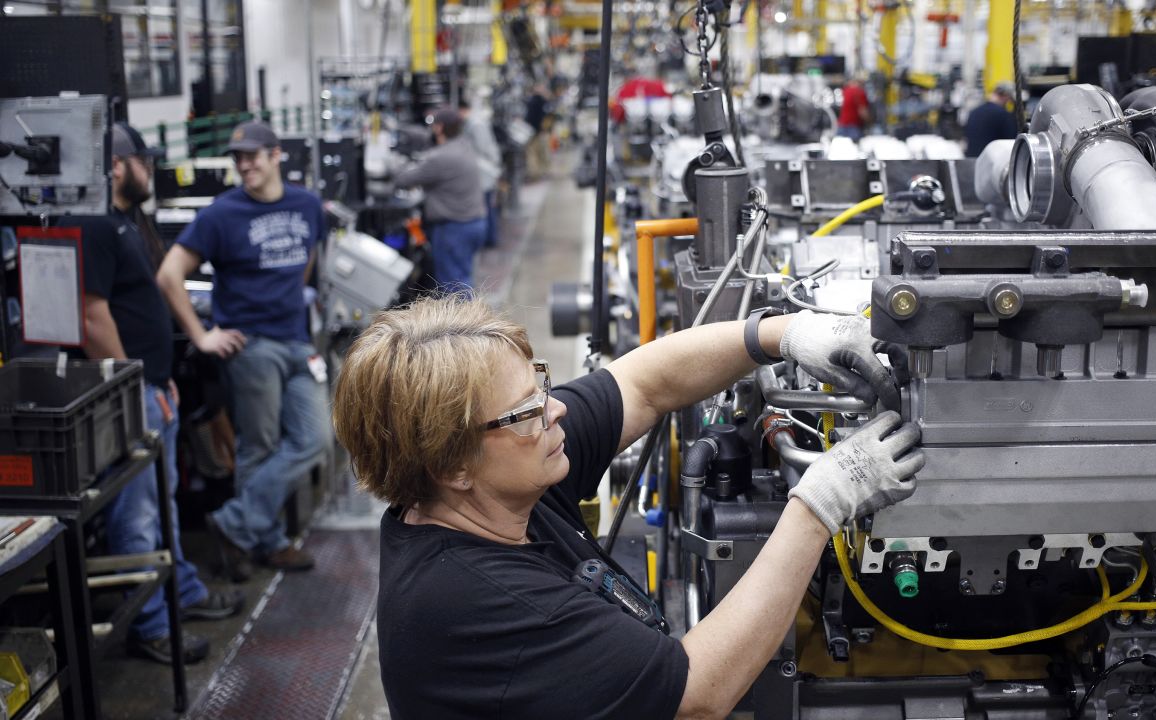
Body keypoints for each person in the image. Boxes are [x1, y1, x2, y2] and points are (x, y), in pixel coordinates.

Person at [332, 297, 923, 719]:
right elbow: (697, 694)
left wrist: (780, 334)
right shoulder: (473, 602)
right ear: (449, 465)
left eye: (539, 386)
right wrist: (821, 503)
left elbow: (643, 383)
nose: (554, 410)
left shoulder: (493, 484)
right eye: (526, 410)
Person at [78, 123, 245, 665]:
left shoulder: (126, 223)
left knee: (162, 497)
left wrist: (161, 376)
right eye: (145, 161)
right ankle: (150, 622)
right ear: (119, 166)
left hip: (153, 386)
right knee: (137, 512)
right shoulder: (95, 226)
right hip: (130, 393)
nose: (153, 170)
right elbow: (90, 315)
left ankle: (182, 592)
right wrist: (132, 384)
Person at [157, 120, 330, 583]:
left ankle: (235, 526)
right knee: (258, 447)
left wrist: (292, 298)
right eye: (238, 157)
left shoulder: (307, 205)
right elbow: (170, 275)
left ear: (276, 156)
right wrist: (201, 336)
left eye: (253, 155)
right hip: (251, 346)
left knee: (316, 439)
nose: (245, 164)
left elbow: (307, 258)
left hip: (297, 340)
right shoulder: (221, 214)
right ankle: (266, 542)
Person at [392, 107, 487, 293]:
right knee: (463, 279)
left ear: (439, 127)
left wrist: (391, 163)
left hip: (455, 228)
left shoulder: (440, 158)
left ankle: (460, 323)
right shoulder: (464, 145)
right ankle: (469, 319)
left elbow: (403, 179)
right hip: (474, 223)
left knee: (453, 288)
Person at [457, 100, 503, 249]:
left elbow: (484, 148)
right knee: (486, 206)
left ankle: (490, 238)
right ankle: (489, 238)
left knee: (486, 208)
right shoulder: (472, 123)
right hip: (483, 171)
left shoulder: (476, 124)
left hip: (484, 172)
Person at [964, 81, 1019, 157]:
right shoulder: (1003, 115)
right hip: (991, 163)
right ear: (1006, 96)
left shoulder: (974, 112)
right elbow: (1011, 143)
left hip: (972, 161)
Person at [837, 75, 872, 140]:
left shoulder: (845, 91)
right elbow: (863, 112)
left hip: (841, 126)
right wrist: (870, 123)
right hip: (854, 128)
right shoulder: (859, 92)